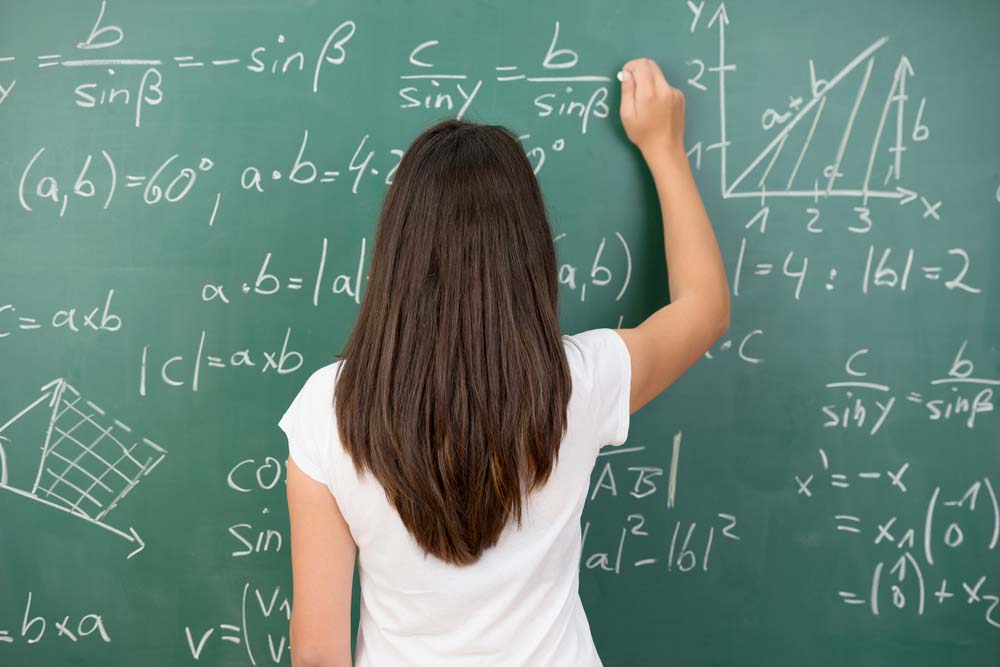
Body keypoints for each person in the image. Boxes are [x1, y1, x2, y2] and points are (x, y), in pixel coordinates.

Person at [279, 57, 730, 667]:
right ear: (530, 254)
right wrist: (664, 146)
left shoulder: (328, 410)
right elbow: (704, 309)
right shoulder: (577, 384)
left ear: (395, 254)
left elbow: (316, 655)